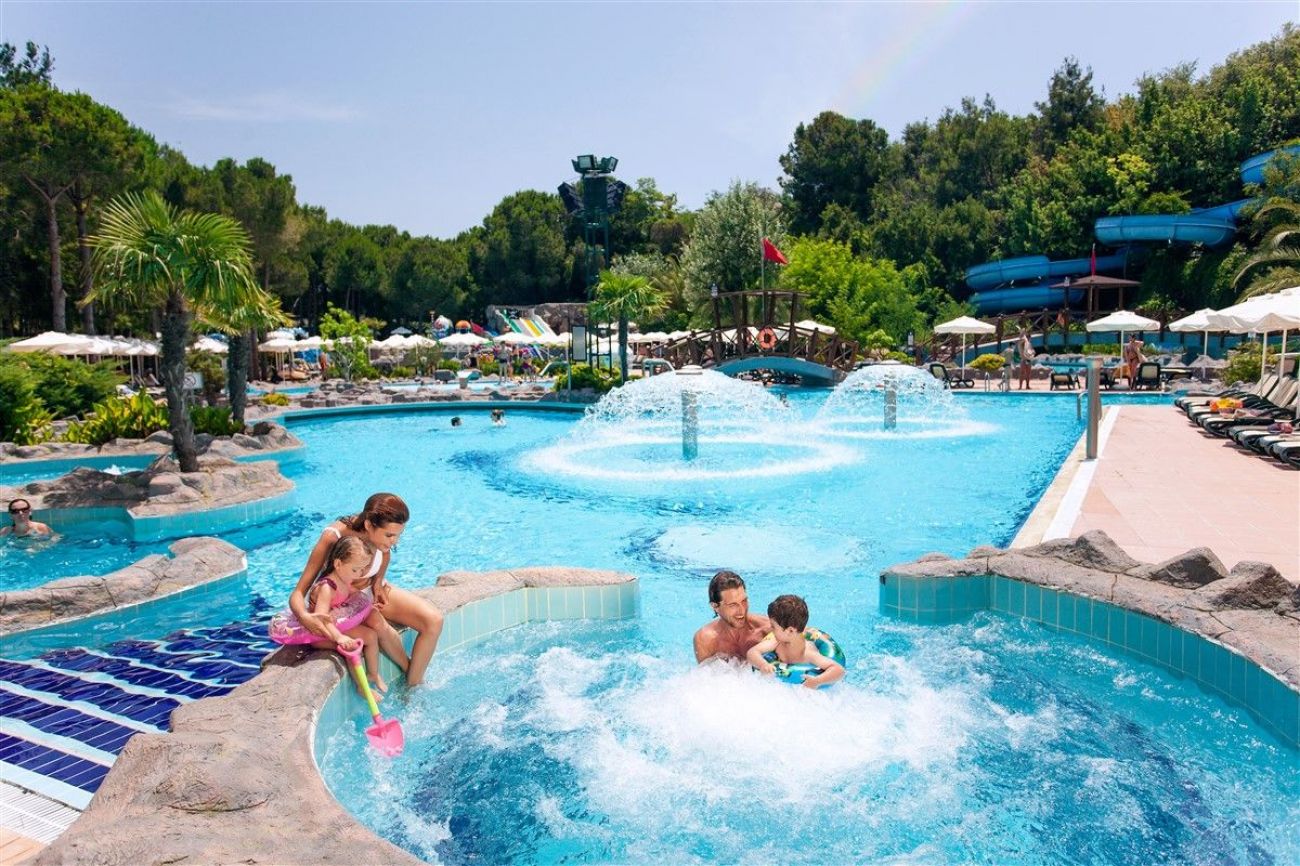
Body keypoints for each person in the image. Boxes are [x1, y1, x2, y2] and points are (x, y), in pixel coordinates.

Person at [288, 493, 445, 687]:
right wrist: (305, 617)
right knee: (379, 626)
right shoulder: (333, 537)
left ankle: (413, 685)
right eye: (389, 535)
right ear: (369, 525)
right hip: (340, 604)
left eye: (398, 535)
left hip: (368, 594)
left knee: (434, 621)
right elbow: (298, 593)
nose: (394, 542)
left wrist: (377, 581)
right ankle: (410, 680)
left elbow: (385, 554)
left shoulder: (381, 536)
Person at [275, 535, 391, 694]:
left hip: (336, 626)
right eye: (355, 569)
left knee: (371, 636)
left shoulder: (345, 579)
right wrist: (339, 638)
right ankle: (362, 687)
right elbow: (321, 619)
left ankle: (373, 674)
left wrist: (374, 598)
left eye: (362, 569)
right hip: (321, 634)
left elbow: (355, 596)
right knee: (352, 647)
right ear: (338, 564)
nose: (359, 574)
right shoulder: (327, 588)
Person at [746, 595, 845, 690]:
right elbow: (752, 652)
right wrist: (763, 664)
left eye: (773, 626)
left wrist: (817, 681)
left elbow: (839, 670)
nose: (770, 629)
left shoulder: (808, 654)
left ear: (790, 631)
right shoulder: (777, 642)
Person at [693, 570, 770, 663]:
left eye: (744, 601)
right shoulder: (706, 640)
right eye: (733, 605)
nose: (742, 610)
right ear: (715, 606)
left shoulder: (768, 628)